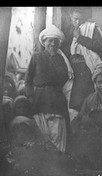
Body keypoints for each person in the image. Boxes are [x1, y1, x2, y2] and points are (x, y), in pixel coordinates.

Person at [25, 25, 70, 153]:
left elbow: (63, 77)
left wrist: (54, 57)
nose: (52, 44)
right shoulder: (36, 57)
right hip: (39, 100)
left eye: (55, 41)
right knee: (42, 136)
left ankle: (58, 165)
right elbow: (28, 80)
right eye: (49, 41)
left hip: (56, 100)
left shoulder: (60, 58)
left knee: (57, 136)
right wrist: (31, 97)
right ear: (44, 42)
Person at [61, 7, 102, 122]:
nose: (78, 22)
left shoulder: (92, 28)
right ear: (71, 17)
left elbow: (99, 46)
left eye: (81, 20)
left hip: (86, 68)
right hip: (72, 68)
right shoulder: (68, 31)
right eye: (75, 19)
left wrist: (80, 38)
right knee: (69, 100)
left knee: (83, 101)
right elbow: (64, 49)